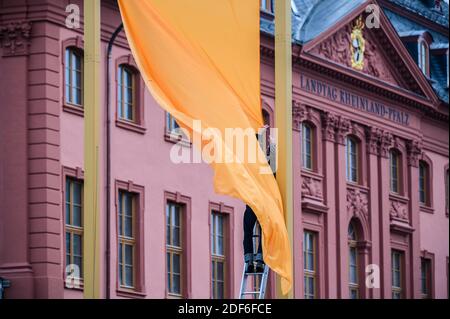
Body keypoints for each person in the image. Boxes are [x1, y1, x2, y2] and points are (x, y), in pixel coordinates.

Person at [243, 205, 265, 273]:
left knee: (248, 233)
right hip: (263, 206)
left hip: (251, 205)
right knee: (265, 233)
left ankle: (249, 262)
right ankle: (259, 261)